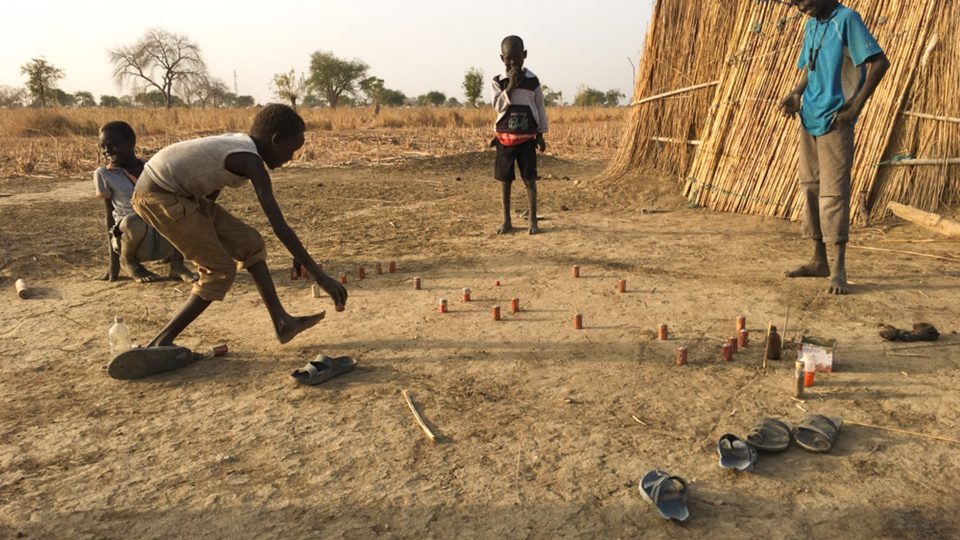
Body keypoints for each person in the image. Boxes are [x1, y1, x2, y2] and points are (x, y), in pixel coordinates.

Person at [130, 103, 346, 350]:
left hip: (181, 195)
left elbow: (211, 181)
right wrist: (320, 277)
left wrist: (202, 226)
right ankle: (162, 341)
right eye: (291, 150)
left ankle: (282, 322)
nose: (290, 159)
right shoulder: (250, 160)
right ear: (276, 140)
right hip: (158, 195)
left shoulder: (240, 147)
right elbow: (279, 225)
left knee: (249, 244)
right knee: (219, 268)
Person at [779, 0, 889, 294]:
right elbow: (810, 66)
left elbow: (879, 62)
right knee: (811, 187)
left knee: (834, 194)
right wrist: (795, 92)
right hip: (809, 117)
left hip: (835, 122)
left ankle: (838, 269)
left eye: (802, 1)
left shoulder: (847, 20)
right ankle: (819, 261)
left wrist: (853, 108)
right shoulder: (813, 22)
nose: (800, 8)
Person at [94, 121, 196, 283]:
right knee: (134, 219)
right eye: (103, 146)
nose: (107, 151)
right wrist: (113, 263)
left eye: (112, 145)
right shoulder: (104, 174)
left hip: (160, 237)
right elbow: (109, 217)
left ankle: (177, 264)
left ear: (131, 142)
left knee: (183, 211)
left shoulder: (152, 167)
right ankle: (129, 263)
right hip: (131, 238)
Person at [491, 35, 548, 235]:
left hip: (527, 139)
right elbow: (498, 106)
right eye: (508, 58)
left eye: (516, 57)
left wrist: (541, 134)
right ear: (502, 58)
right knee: (505, 181)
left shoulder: (533, 81)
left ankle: (533, 220)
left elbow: (540, 107)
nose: (512, 62)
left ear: (524, 55)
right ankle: (506, 220)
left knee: (530, 180)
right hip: (505, 140)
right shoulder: (498, 81)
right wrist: (511, 86)